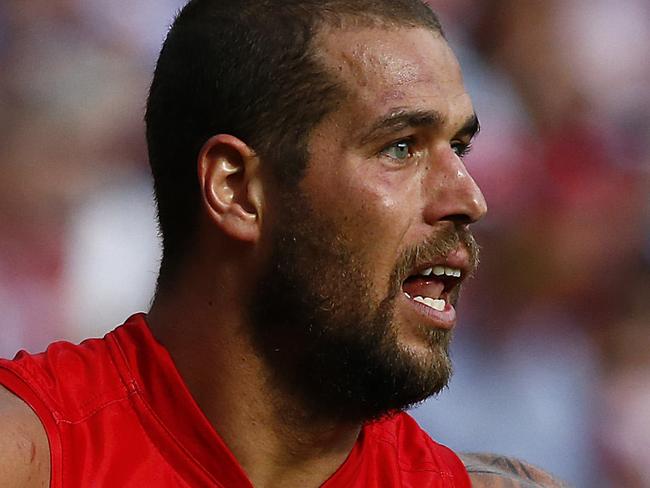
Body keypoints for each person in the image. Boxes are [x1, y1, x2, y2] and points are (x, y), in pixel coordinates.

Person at [0, 0, 566, 486]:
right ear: (237, 189)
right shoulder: (29, 457)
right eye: (401, 147)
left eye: (458, 148)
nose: (470, 199)